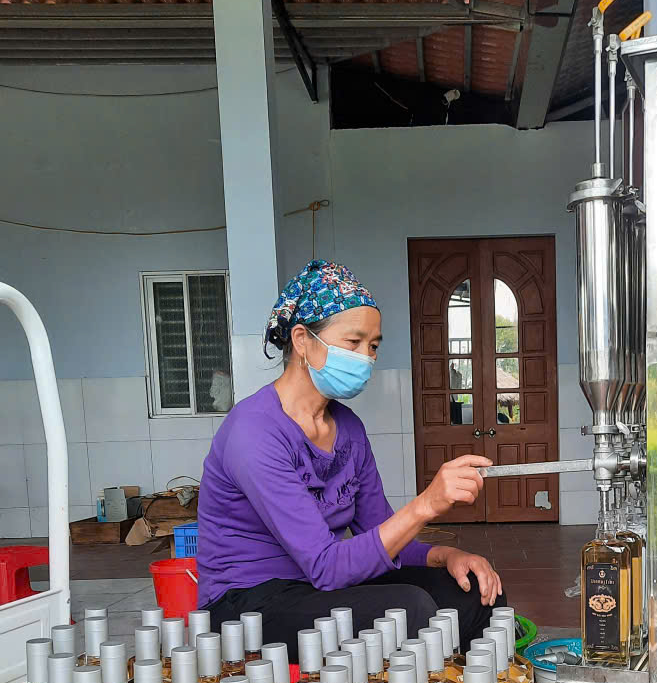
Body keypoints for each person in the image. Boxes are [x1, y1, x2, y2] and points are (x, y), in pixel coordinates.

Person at [197, 259, 505, 651]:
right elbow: (326, 566)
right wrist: (426, 504)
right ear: (302, 340)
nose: (366, 358)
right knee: (408, 610)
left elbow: (385, 538)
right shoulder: (254, 432)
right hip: (249, 602)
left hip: (316, 586)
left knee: (475, 591)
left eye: (373, 346)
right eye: (353, 343)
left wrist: (448, 556)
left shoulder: (348, 429)